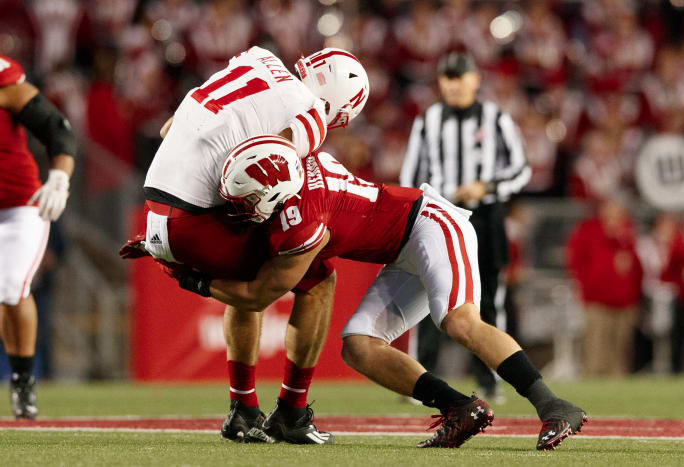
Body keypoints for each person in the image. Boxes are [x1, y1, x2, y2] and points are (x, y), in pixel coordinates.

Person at [174, 142, 586, 451]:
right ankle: (460, 407)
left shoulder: (305, 217)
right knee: (358, 347)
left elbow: (261, 293)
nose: (245, 209)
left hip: (431, 224)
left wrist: (193, 280)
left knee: (460, 320)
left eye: (248, 200)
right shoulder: (298, 161)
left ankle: (552, 405)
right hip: (400, 250)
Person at [123, 46, 369, 444]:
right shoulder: (310, 112)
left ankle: (245, 408)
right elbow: (271, 166)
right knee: (315, 276)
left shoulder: (256, 58)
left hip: (156, 205)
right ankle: (290, 411)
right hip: (191, 220)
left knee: (253, 263)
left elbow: (171, 128)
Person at [399, 52, 531, 401]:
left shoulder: (496, 118)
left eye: (460, 77)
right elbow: (411, 176)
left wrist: (486, 187)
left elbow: (521, 169)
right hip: (441, 218)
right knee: (427, 299)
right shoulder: (427, 121)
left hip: (485, 217)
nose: (454, 85)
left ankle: (490, 379)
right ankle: (419, 379)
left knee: (489, 299)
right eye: (447, 78)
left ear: (475, 79)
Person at [0, 55, 76, 418]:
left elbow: (56, 127)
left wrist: (59, 176)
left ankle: (22, 380)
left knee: (11, 286)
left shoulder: (5, 82)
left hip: (18, 205)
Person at [567, 195, 643, 377]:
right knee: (597, 345)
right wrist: (588, 286)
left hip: (625, 301)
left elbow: (638, 267)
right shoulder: (588, 230)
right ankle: (594, 380)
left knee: (621, 348)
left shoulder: (628, 233)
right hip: (597, 299)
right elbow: (575, 262)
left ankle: (618, 383)